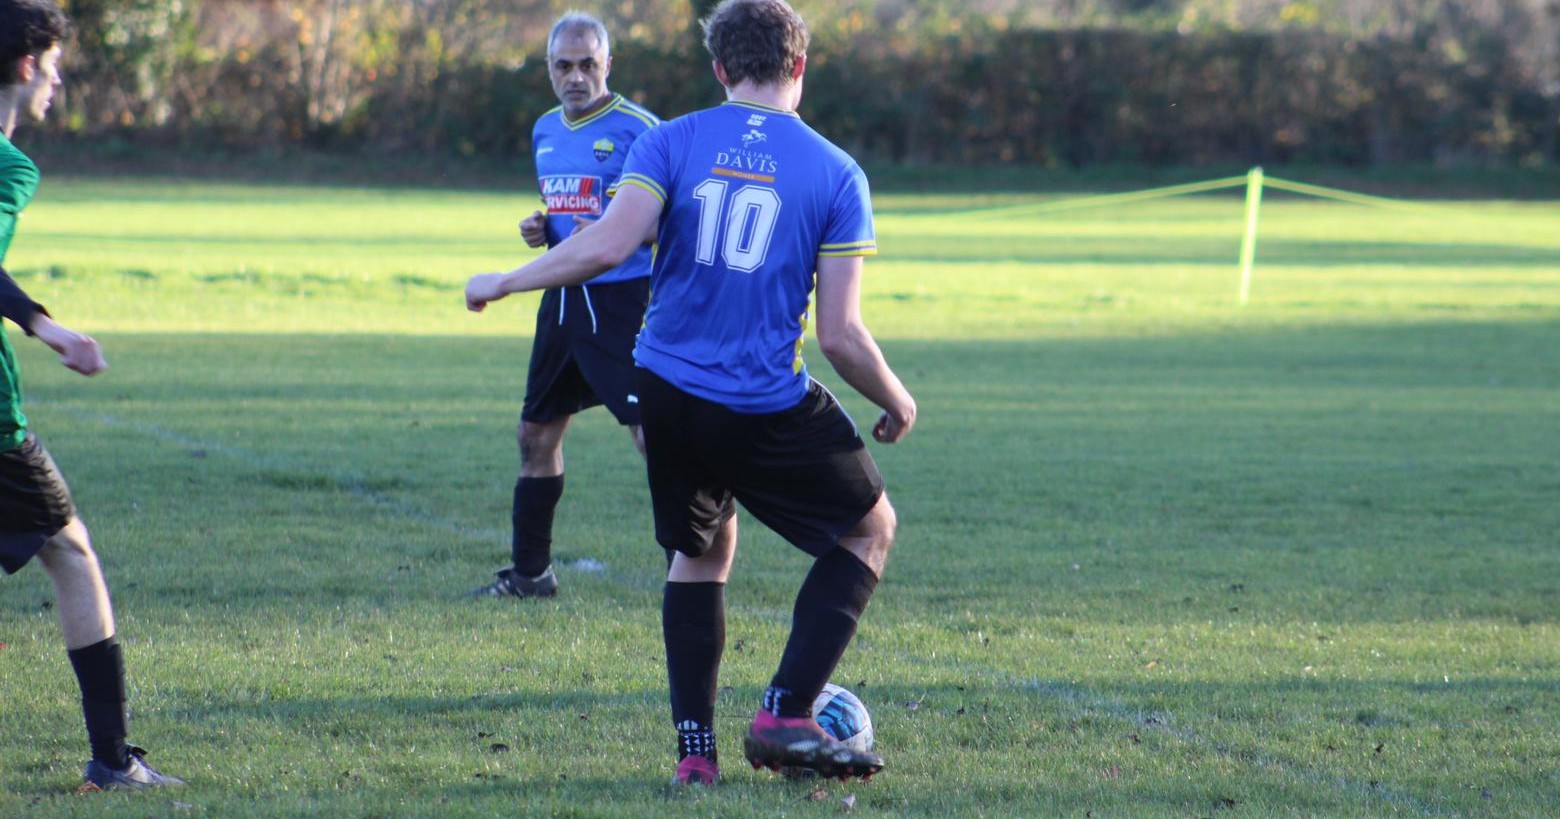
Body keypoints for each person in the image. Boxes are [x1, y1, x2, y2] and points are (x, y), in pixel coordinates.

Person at [465, 0, 915, 785]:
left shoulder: (669, 139)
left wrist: (505, 280)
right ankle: (784, 707)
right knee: (870, 528)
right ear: (800, 66)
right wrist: (897, 398)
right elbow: (841, 337)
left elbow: (605, 244)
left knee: (701, 553)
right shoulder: (837, 170)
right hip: (761, 399)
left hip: (666, 386)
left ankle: (695, 760)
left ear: (719, 69)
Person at [0, 0, 182, 792]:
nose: (61, 76)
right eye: (56, 61)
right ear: (25, 63)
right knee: (70, 551)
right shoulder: (9, 168)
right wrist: (50, 328)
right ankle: (112, 761)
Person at [469, 11, 662, 599]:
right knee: (535, 436)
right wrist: (542, 227)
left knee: (652, 436)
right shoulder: (545, 130)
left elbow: (676, 219)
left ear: (609, 65)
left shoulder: (643, 131)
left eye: (587, 64)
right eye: (563, 65)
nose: (575, 76)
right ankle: (532, 576)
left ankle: (700, 567)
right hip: (562, 303)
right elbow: (563, 214)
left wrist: (618, 231)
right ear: (549, 68)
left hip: (625, 303)